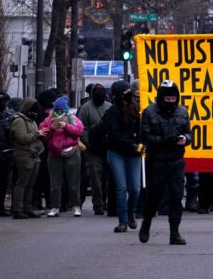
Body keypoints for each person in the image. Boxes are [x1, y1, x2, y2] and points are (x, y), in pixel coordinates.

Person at [139, 80, 192, 245]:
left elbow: (189, 132)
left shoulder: (183, 112)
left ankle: (174, 233)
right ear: (161, 97)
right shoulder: (149, 112)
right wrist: (164, 140)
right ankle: (146, 223)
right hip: (157, 162)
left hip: (176, 161)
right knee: (154, 198)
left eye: (173, 98)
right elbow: (145, 136)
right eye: (167, 98)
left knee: (176, 197)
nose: (170, 101)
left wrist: (186, 138)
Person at [103, 81, 143, 233]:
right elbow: (115, 135)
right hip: (116, 152)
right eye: (126, 90)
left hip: (134, 153)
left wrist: (141, 142)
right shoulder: (113, 112)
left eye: (129, 90)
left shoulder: (137, 108)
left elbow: (142, 129)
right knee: (121, 187)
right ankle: (122, 221)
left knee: (135, 188)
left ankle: (131, 211)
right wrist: (133, 145)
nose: (129, 92)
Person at [39, 96, 84, 217]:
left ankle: (76, 205)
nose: (59, 113)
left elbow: (79, 131)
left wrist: (66, 126)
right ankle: (55, 207)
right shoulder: (48, 120)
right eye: (57, 111)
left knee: (74, 182)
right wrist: (51, 128)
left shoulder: (72, 118)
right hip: (54, 154)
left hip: (71, 152)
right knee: (55, 183)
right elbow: (42, 134)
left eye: (61, 110)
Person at [77, 83, 111, 215]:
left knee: (108, 177)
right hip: (92, 149)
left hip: (108, 148)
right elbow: (81, 128)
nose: (99, 93)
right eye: (97, 91)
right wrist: (88, 142)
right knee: (95, 177)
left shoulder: (109, 107)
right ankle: (98, 205)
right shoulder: (85, 108)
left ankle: (108, 201)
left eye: (101, 91)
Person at [10, 98, 46, 219]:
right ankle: (18, 209)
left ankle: (27, 207)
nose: (35, 113)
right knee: (22, 183)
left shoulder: (31, 120)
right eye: (33, 111)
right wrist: (38, 134)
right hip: (24, 155)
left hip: (34, 155)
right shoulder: (19, 120)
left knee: (30, 184)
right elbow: (22, 138)